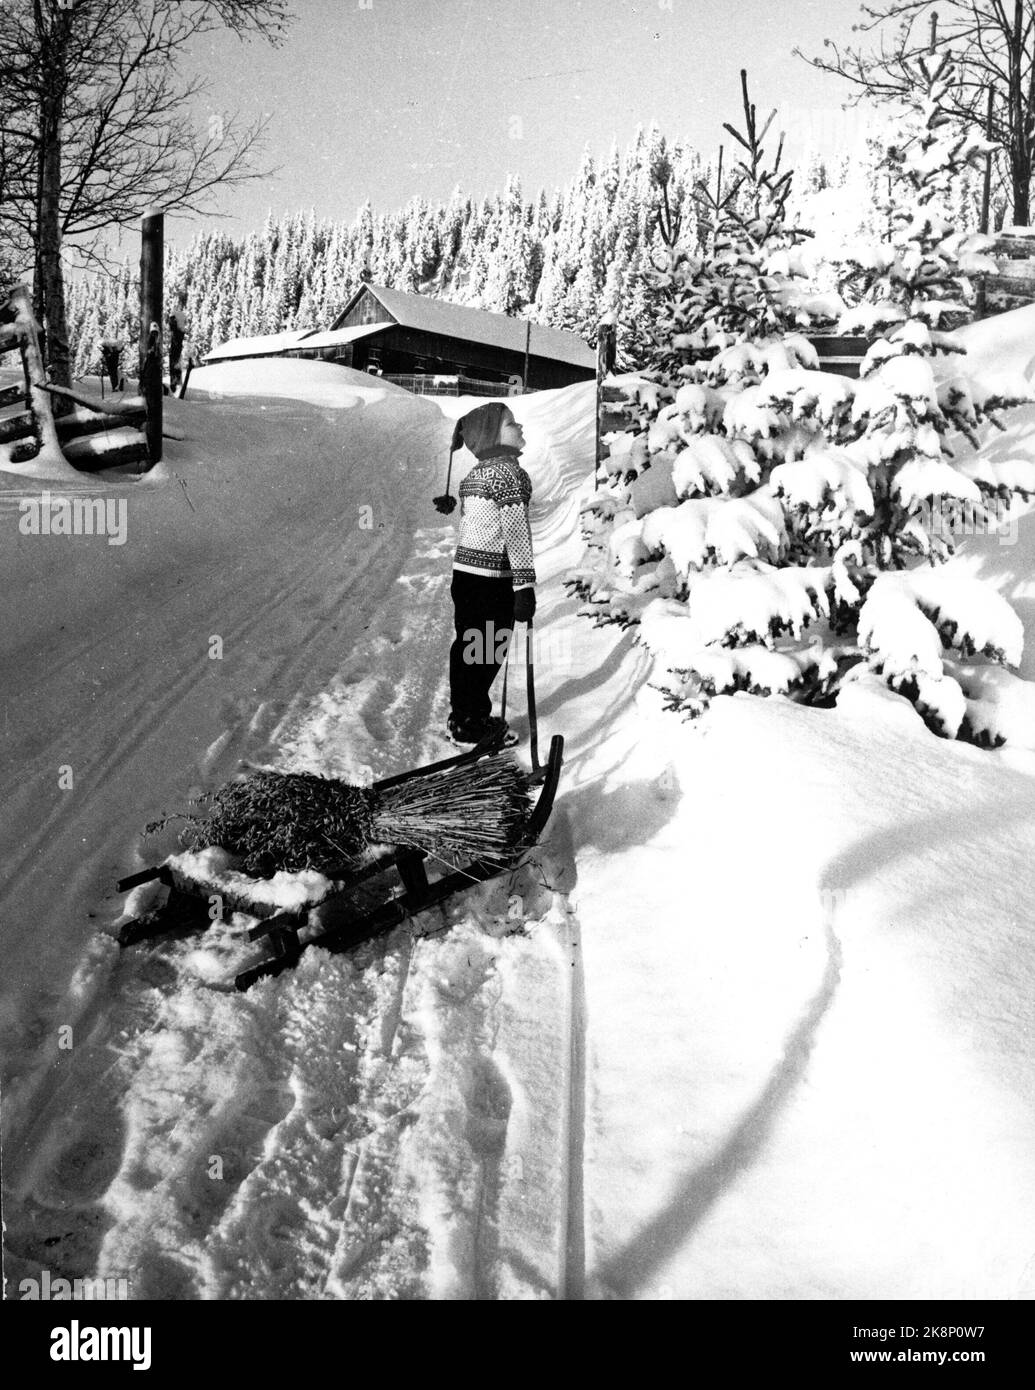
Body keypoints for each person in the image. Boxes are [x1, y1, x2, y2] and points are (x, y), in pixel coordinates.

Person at [433, 402, 537, 743]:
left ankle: (463, 716)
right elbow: (515, 531)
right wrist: (524, 585)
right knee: (488, 649)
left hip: (465, 575)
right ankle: (472, 724)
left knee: (468, 647)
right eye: (510, 423)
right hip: (493, 581)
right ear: (492, 435)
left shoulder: (474, 475)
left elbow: (477, 521)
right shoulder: (510, 474)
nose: (519, 427)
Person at [168, 292, 188, 392]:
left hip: (176, 348)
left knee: (175, 364)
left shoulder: (177, 329)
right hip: (176, 348)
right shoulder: (179, 328)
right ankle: (175, 384)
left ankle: (175, 384)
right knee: (175, 364)